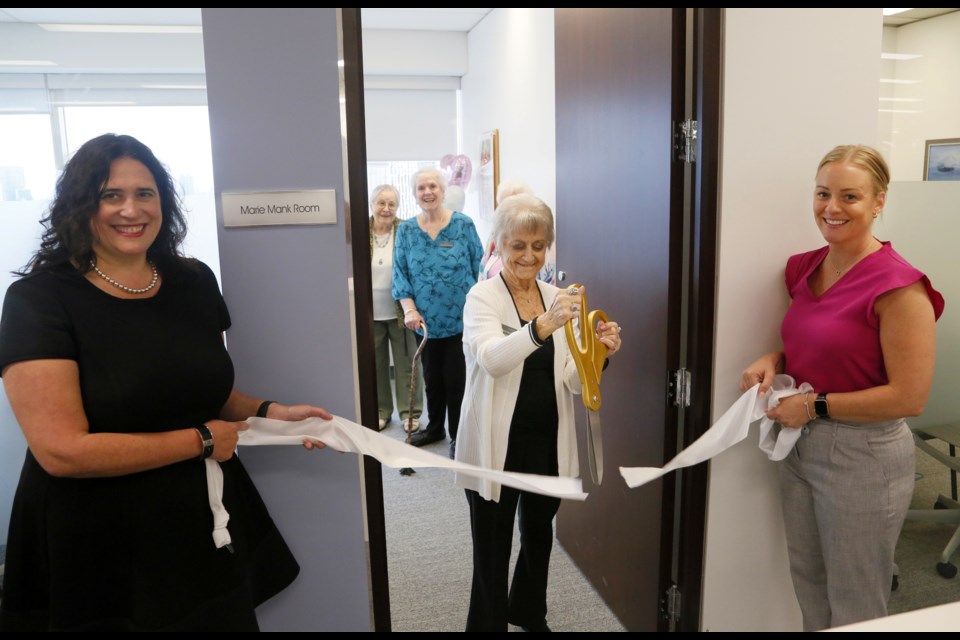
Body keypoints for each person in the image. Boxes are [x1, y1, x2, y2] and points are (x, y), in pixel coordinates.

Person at [0, 133, 333, 632]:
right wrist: (200, 441)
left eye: (145, 193)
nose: (129, 210)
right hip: (95, 529)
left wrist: (269, 413)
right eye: (110, 195)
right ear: (79, 205)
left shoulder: (192, 280)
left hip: (193, 515)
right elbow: (61, 451)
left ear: (164, 202)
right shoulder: (39, 300)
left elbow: (200, 390)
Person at [739, 144, 944, 631]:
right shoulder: (805, 268)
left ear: (878, 203)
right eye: (823, 194)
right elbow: (827, 344)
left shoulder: (901, 287)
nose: (831, 208)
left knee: (856, 599)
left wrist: (813, 406)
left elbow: (909, 397)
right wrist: (774, 358)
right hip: (800, 447)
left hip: (864, 454)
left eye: (849, 196)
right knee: (808, 582)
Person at [454, 193, 623, 632]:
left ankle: (528, 611)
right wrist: (542, 326)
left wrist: (599, 354)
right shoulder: (482, 297)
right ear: (498, 245)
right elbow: (492, 359)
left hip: (547, 440)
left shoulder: (557, 296)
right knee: (491, 547)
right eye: (518, 245)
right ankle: (487, 624)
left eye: (539, 245)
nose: (529, 256)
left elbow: (571, 378)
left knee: (538, 537)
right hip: (496, 444)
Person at [393, 167, 483, 453]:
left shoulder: (463, 225)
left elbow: (477, 267)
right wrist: (409, 310)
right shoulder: (406, 230)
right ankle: (434, 429)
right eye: (421, 188)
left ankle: (459, 435)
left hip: (460, 320)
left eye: (433, 186)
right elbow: (400, 275)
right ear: (415, 194)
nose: (428, 192)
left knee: (457, 380)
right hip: (424, 323)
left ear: (443, 191)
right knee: (432, 379)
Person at [369, 183, 423, 433]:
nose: (386, 208)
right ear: (372, 204)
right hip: (369, 311)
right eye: (381, 202)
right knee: (376, 365)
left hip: (401, 310)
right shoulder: (360, 230)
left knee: (406, 364)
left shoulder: (406, 229)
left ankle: (410, 413)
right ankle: (381, 410)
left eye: (391, 203)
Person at [479, 178, 533, 282]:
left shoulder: (536, 239)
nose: (509, 211)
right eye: (504, 205)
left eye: (514, 205)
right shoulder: (494, 236)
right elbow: (482, 273)